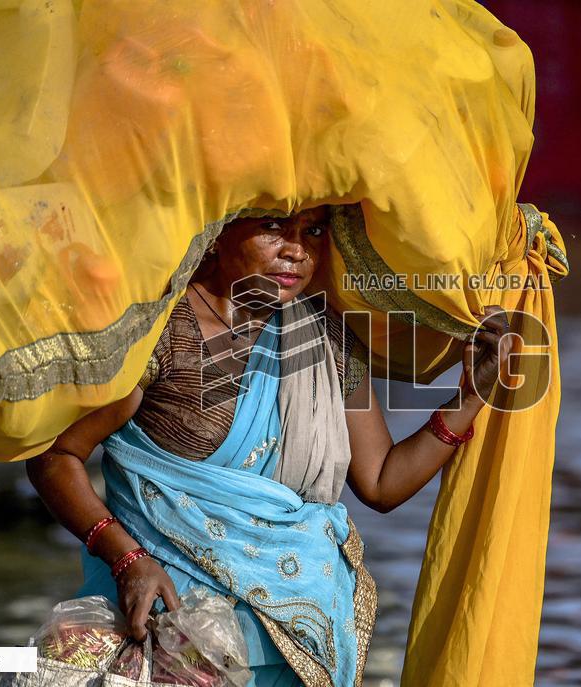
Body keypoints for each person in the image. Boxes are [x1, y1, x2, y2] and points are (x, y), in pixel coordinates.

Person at [25, 204, 512, 686]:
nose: (297, 251)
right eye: (273, 228)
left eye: (313, 231)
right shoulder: (159, 334)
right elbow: (54, 456)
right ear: (214, 234)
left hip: (295, 651)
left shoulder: (327, 338)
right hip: (164, 635)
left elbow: (382, 481)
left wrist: (469, 398)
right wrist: (127, 559)